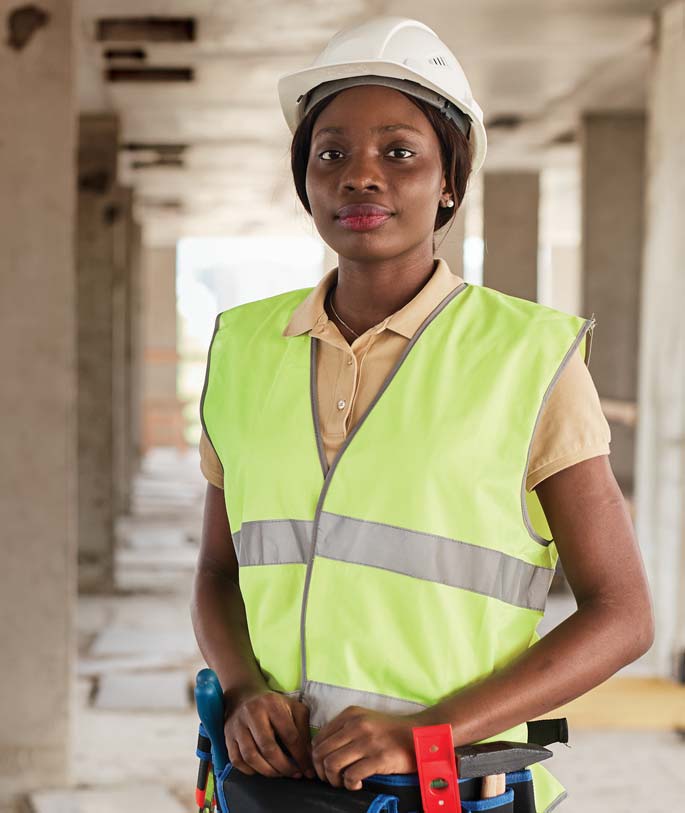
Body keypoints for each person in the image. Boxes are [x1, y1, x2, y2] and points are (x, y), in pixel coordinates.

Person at [190, 16, 654, 812]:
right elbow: (217, 573)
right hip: (274, 791)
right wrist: (240, 689)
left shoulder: (528, 356)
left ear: (447, 181)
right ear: (304, 179)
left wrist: (430, 730)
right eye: (330, 152)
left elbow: (622, 616)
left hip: (450, 790)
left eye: (398, 152)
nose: (360, 176)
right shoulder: (242, 348)